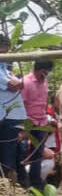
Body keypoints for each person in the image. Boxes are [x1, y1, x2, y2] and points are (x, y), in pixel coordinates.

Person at [20, 60, 53, 189]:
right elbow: (21, 104)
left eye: (47, 72)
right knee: (22, 153)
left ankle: (36, 183)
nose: (45, 75)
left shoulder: (45, 82)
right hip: (27, 122)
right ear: (37, 69)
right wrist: (23, 126)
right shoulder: (26, 82)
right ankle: (22, 182)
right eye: (44, 72)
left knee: (37, 154)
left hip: (41, 123)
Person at [0, 35, 25, 182]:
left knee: (8, 154)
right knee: (6, 154)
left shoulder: (5, 68)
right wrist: (19, 81)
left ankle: (5, 185)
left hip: (10, 116)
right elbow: (14, 85)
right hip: (5, 117)